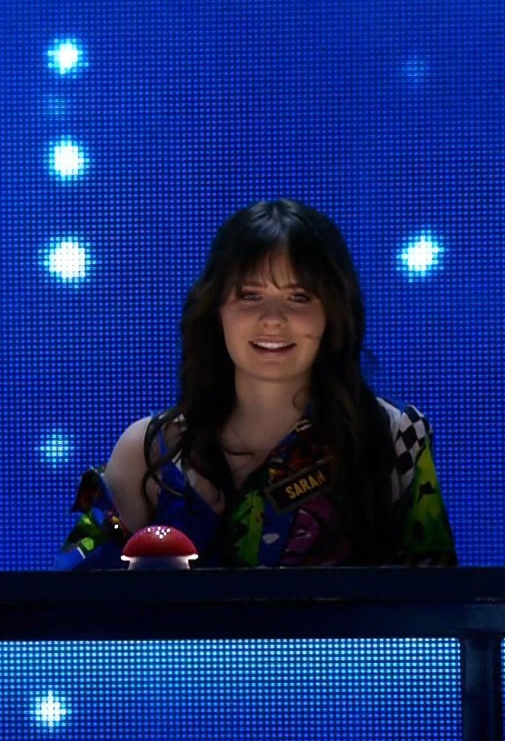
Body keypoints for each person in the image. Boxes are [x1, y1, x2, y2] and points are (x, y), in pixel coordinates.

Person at [63, 199, 455, 568]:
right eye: (250, 295)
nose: (273, 319)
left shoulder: (393, 435)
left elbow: (436, 603)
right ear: (216, 309)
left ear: (333, 312)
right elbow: (76, 605)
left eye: (298, 297)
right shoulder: (149, 451)